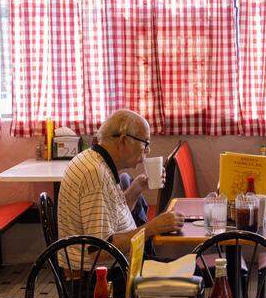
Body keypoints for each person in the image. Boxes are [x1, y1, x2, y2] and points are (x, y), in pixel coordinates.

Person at [56, 110, 183, 272]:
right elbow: (100, 251)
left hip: (117, 266)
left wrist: (137, 187)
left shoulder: (97, 160)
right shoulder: (95, 174)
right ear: (123, 140)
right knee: (192, 274)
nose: (147, 151)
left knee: (189, 271)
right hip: (101, 277)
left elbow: (112, 219)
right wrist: (153, 227)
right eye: (145, 143)